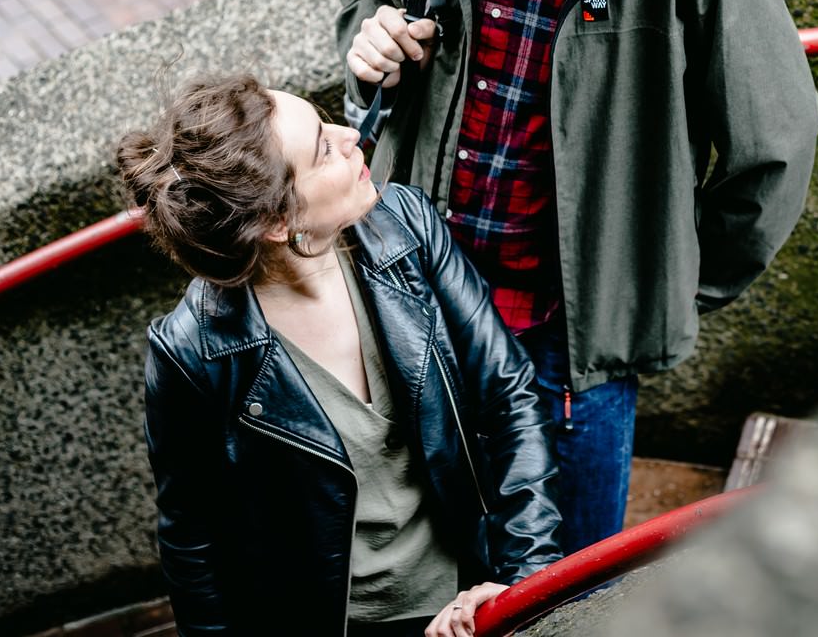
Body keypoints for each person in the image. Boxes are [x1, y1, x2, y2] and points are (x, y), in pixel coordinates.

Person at [319, 0, 818, 554]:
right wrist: (367, 38)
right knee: (425, 545)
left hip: (567, 340)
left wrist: (655, 289)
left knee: (567, 574)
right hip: (408, 291)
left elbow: (773, 143)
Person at [118, 73, 560, 637]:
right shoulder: (195, 353)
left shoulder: (408, 229)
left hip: (467, 591)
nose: (351, 134)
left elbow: (509, 395)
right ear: (280, 222)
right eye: (325, 148)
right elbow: (193, 542)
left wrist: (519, 578)